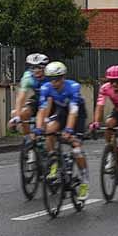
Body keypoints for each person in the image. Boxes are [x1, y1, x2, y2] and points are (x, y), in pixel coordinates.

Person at [33, 60, 89, 205]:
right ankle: (54, 162)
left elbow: (74, 111)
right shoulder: (46, 87)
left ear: (63, 77)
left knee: (76, 147)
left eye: (57, 79)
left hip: (77, 114)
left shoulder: (73, 87)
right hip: (62, 112)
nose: (54, 82)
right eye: (51, 79)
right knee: (49, 131)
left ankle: (84, 180)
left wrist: (69, 130)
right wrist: (39, 128)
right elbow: (42, 110)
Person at [10, 52, 49, 125]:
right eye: (33, 68)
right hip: (38, 99)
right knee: (23, 113)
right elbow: (21, 97)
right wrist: (18, 116)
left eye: (39, 67)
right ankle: (27, 135)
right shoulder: (28, 76)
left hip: (51, 100)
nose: (36, 71)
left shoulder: (50, 75)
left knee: (43, 123)